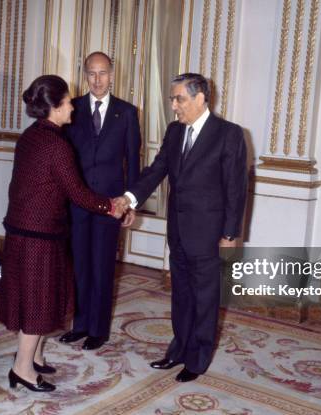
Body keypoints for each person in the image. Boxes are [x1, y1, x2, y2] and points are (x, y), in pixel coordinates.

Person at [0, 75, 125, 393]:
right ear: (54, 106)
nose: (72, 108)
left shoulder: (29, 136)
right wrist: (110, 207)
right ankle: (22, 369)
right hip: (39, 235)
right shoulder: (57, 144)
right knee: (38, 302)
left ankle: (35, 355)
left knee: (34, 297)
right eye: (67, 102)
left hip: (22, 229)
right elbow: (78, 193)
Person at [119, 73, 247, 382]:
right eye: (172, 99)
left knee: (205, 298)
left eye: (180, 99)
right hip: (178, 231)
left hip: (209, 233)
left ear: (201, 98)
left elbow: (236, 188)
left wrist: (230, 234)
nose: (174, 106)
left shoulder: (228, 134)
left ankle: (198, 359)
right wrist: (129, 197)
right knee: (182, 296)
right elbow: (157, 170)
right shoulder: (175, 131)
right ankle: (178, 349)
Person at [59, 52, 141, 351]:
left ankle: (98, 329)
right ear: (84, 75)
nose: (97, 79)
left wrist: (131, 202)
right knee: (79, 265)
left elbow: (133, 161)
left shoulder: (128, 112)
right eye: (91, 73)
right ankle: (80, 325)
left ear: (112, 74)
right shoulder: (73, 108)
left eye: (102, 73)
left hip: (112, 204)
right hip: (78, 202)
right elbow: (63, 158)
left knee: (103, 266)